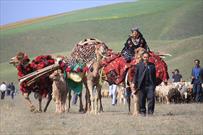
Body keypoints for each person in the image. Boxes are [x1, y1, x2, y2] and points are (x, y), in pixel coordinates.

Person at [133, 51, 156, 116]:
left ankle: (150, 112)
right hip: (141, 86)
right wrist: (134, 83)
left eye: (147, 57)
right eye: (144, 57)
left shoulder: (152, 66)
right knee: (142, 100)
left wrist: (154, 85)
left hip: (150, 85)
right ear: (142, 57)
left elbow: (154, 76)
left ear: (149, 57)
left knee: (151, 99)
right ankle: (142, 112)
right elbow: (136, 75)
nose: (146, 58)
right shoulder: (138, 65)